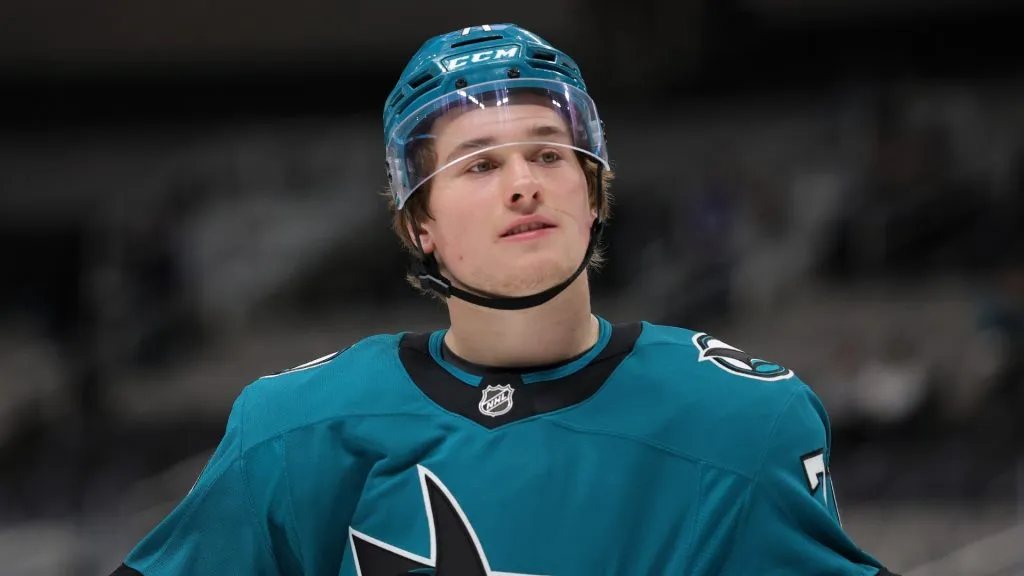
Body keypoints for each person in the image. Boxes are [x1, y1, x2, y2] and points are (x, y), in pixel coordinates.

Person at [111, 24, 900, 575]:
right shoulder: (292, 431)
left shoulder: (743, 420)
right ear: (419, 223)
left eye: (550, 154)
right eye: (479, 165)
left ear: (593, 195)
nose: (524, 181)